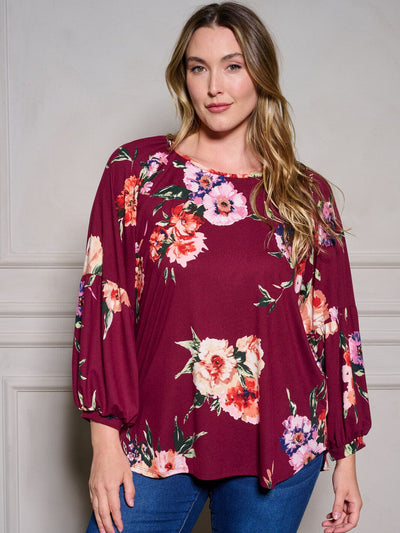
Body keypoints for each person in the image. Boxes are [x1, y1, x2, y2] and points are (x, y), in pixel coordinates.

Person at [72, 2, 372, 532]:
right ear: (182, 76)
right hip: (155, 437)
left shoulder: (306, 193)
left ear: (260, 74)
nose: (214, 86)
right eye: (199, 67)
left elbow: (334, 326)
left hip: (279, 443)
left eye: (233, 66)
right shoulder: (136, 174)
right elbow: (105, 307)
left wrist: (345, 459)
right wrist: (104, 442)